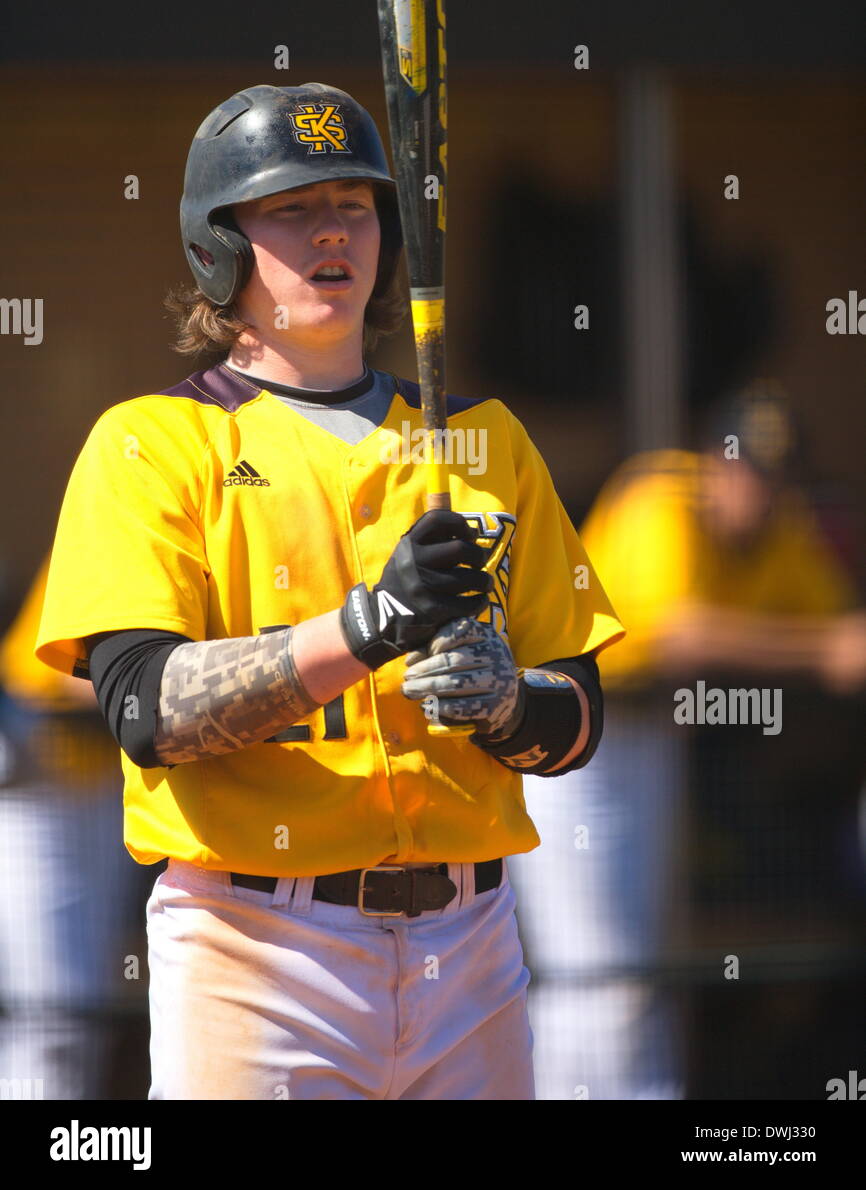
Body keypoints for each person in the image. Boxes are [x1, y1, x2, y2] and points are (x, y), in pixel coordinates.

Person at [35, 83, 625, 1101]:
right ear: (217, 247)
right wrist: (366, 626)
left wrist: (506, 705)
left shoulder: (480, 440)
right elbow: (144, 707)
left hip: (470, 944)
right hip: (255, 945)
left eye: (353, 204)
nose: (331, 233)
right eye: (292, 208)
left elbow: (577, 715)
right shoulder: (152, 443)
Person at [508, 383, 866, 1100]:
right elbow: (681, 632)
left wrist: (835, 642)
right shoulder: (664, 494)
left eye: (772, 478)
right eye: (744, 472)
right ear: (715, 460)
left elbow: (843, 626)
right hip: (568, 744)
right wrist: (823, 649)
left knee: (648, 964)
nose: (755, 494)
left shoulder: (783, 527)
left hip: (651, 740)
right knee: (593, 967)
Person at [0, 554, 143, 1100]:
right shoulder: (100, 537)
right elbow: (39, 683)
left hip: (102, 797)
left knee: (87, 1009)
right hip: (37, 800)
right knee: (52, 1015)